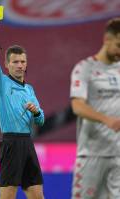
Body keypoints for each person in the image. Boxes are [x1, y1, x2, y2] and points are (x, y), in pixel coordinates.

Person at [0, 16, 45, 199]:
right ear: (6, 64)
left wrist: (36, 112)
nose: (20, 65)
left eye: (22, 62)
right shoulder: (1, 83)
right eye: (15, 62)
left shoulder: (29, 89)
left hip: (27, 143)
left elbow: (41, 120)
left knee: (37, 195)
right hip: (11, 144)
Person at [70, 17, 120, 199]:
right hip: (92, 155)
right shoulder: (84, 69)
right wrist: (106, 119)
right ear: (107, 39)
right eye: (119, 45)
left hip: (118, 155)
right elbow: (78, 106)